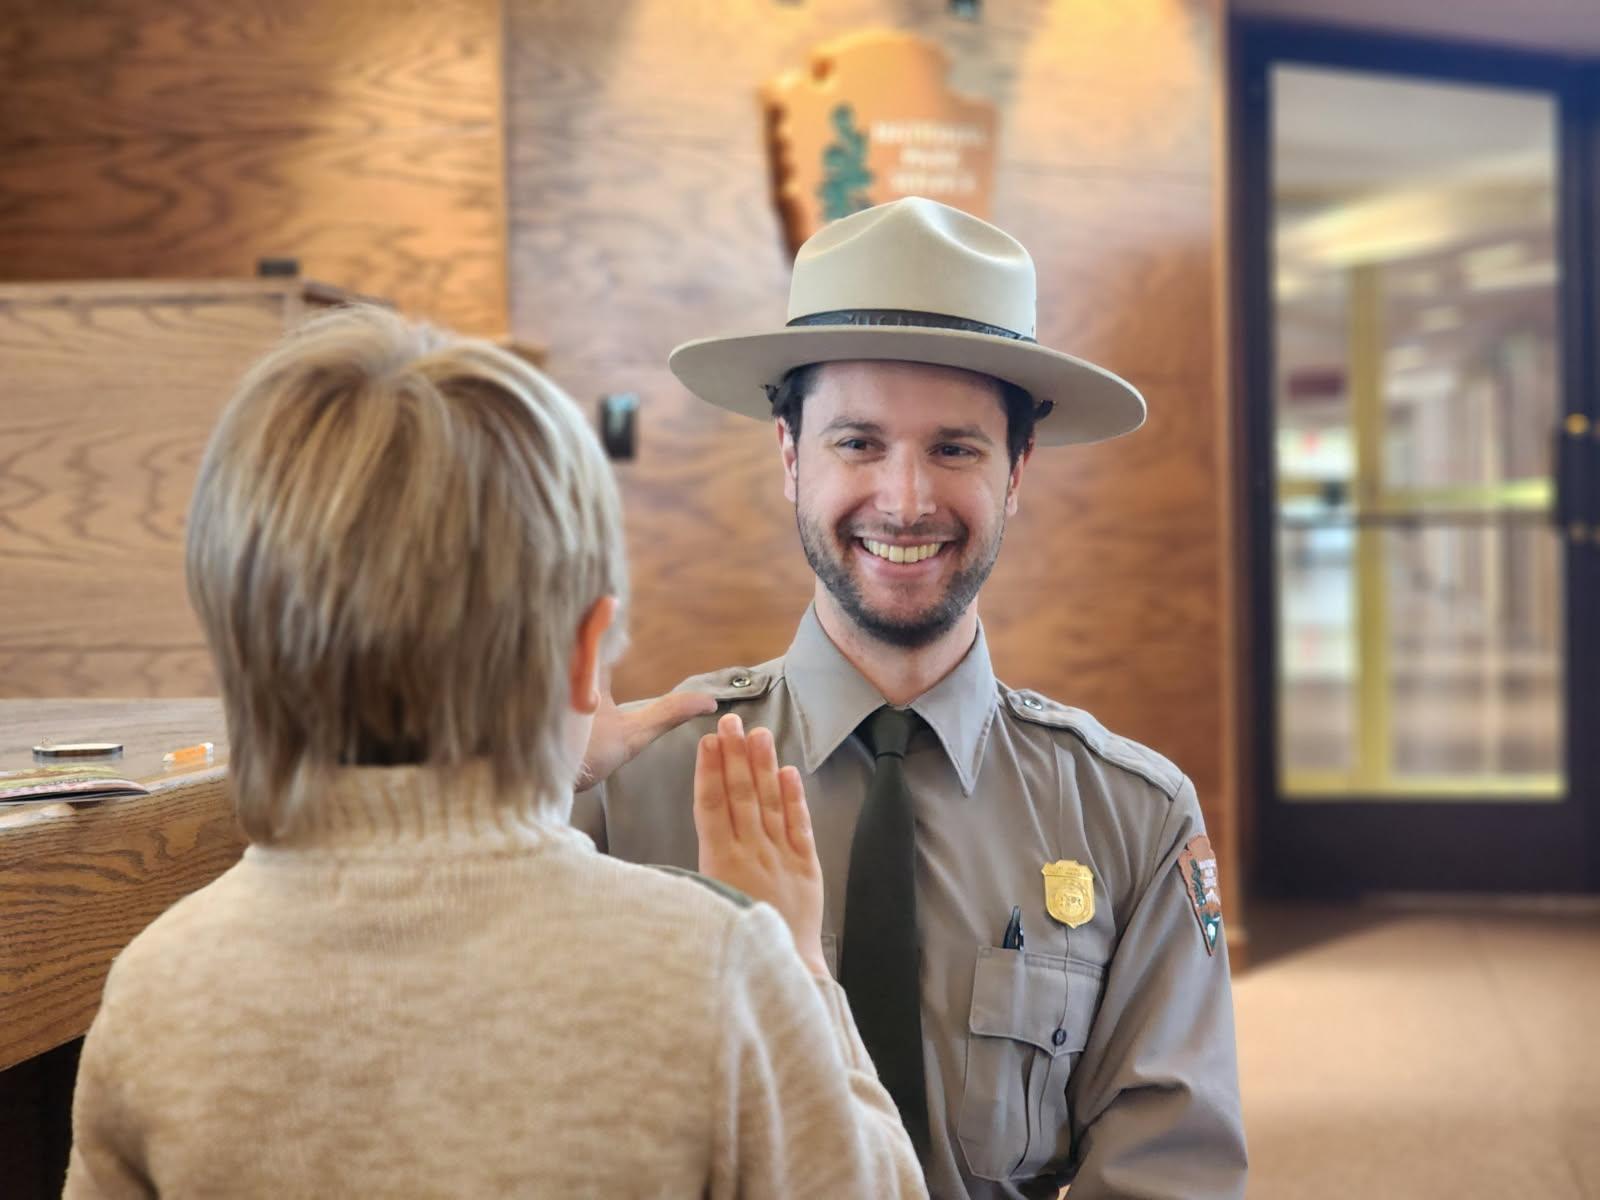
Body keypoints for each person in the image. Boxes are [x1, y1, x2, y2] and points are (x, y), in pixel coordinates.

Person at [63, 306, 924, 1198]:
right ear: (587, 648)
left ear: (234, 637)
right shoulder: (715, 968)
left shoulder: (157, 994)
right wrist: (800, 961)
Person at [573, 197, 1249, 1199]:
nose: (904, 500)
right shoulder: (626, 792)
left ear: (1017, 470)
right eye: (856, 443)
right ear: (789, 456)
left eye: (955, 449)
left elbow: (1170, 1176)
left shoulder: (1134, 819)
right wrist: (524, 797)